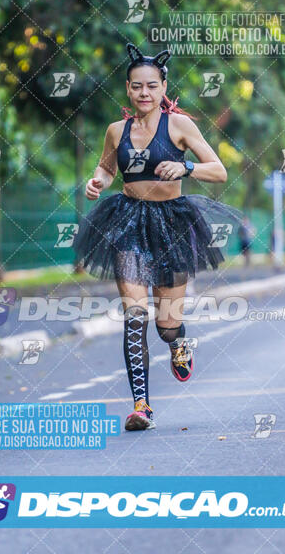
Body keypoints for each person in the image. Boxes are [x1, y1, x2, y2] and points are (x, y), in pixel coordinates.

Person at [73, 43, 243, 431]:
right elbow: (106, 168)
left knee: (166, 325)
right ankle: (141, 406)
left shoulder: (180, 126)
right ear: (128, 90)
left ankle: (179, 342)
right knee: (135, 316)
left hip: (173, 226)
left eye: (152, 86)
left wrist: (185, 168)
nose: (144, 93)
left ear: (164, 87)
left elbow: (218, 171)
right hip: (128, 222)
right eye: (136, 87)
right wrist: (96, 182)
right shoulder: (116, 130)